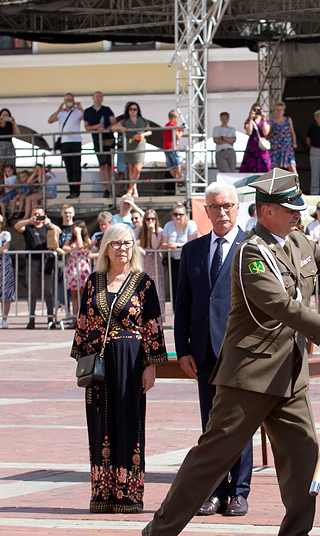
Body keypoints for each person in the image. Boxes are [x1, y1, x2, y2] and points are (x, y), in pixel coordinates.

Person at [142, 169, 320, 536]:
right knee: (213, 457)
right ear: (266, 211)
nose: (297, 215)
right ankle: (159, 532)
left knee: (304, 457)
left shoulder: (297, 240)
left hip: (289, 375)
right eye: (289, 210)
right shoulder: (252, 252)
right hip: (250, 374)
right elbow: (279, 305)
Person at [71, 223, 167, 513]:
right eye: (116, 244)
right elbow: (83, 322)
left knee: (130, 424)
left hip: (132, 359)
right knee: (100, 424)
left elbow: (153, 325)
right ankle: (103, 492)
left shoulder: (143, 282)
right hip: (100, 364)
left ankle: (129, 494)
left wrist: (151, 365)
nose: (122, 249)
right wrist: (83, 361)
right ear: (106, 248)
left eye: (127, 244)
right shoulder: (94, 281)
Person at [175, 183, 255, 517]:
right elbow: (183, 304)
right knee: (211, 424)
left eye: (227, 206)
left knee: (240, 422)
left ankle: (238, 491)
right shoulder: (192, 251)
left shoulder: (252, 248)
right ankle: (214, 490)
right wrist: (182, 350)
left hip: (239, 351)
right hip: (204, 352)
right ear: (205, 211)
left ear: (237, 209)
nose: (221, 212)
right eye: (214, 207)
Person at [15, 207, 58, 329]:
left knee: (48, 291)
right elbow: (17, 227)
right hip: (32, 261)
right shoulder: (28, 228)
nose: (37, 216)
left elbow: (58, 231)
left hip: (46, 261)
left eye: (40, 214)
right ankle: (31, 318)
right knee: (32, 291)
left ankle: (51, 318)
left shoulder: (47, 227)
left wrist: (50, 223)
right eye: (35, 214)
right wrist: (29, 220)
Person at [110, 102, 152, 198]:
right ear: (128, 111)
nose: (133, 111)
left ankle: (130, 189)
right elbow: (113, 127)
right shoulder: (125, 121)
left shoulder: (143, 120)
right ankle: (134, 189)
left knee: (137, 169)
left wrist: (143, 134)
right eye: (131, 109)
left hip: (140, 144)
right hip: (129, 144)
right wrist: (121, 128)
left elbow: (149, 131)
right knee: (131, 169)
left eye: (135, 109)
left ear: (138, 111)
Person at [48, 93, 84, 198]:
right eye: (67, 100)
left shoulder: (77, 112)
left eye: (70, 100)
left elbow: (86, 119)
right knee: (69, 168)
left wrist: (80, 108)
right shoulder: (61, 113)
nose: (68, 101)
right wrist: (59, 109)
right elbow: (50, 120)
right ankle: (71, 191)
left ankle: (76, 191)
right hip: (64, 142)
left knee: (76, 168)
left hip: (75, 142)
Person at [83, 91, 116, 197]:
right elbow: (87, 127)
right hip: (97, 140)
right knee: (102, 165)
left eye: (100, 96)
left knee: (110, 165)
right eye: (97, 96)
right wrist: (97, 127)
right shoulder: (88, 111)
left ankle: (110, 188)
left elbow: (114, 123)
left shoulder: (107, 110)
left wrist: (105, 129)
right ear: (93, 98)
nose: (98, 98)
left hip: (109, 139)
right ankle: (105, 189)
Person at [161, 204, 199, 292]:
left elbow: (193, 242)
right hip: (173, 261)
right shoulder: (168, 225)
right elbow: (163, 244)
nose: (178, 217)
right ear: (172, 215)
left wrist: (178, 245)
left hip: (188, 260)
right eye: (175, 214)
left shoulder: (191, 224)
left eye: (180, 214)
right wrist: (169, 246)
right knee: (175, 287)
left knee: (188, 285)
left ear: (185, 215)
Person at [138, 209, 166, 320]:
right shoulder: (139, 230)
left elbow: (155, 246)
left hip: (155, 263)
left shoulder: (160, 231)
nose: (150, 221)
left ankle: (159, 316)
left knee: (158, 289)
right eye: (148, 219)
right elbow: (133, 241)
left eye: (153, 219)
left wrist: (153, 231)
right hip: (143, 263)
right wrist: (139, 247)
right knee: (143, 289)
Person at [63, 220, 92, 317]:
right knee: (74, 295)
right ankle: (75, 318)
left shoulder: (87, 239)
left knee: (83, 295)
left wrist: (79, 234)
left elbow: (81, 246)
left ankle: (83, 317)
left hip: (82, 268)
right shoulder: (70, 238)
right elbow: (65, 247)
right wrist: (73, 249)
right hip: (72, 268)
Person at [239, 103, 271, 173]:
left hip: (261, 146)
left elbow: (265, 132)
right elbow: (249, 132)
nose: (256, 112)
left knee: (264, 166)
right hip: (252, 146)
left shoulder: (265, 122)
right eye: (255, 110)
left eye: (258, 110)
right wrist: (251, 119)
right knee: (250, 166)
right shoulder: (248, 122)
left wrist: (264, 118)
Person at [268, 102, 297, 173]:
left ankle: (296, 183)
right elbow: (268, 134)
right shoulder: (271, 122)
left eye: (280, 110)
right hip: (276, 146)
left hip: (287, 146)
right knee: (277, 168)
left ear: (283, 111)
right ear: (274, 111)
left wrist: (294, 143)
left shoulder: (288, 119)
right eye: (277, 110)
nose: (279, 111)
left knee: (291, 166)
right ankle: (278, 184)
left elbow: (292, 132)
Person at [163, 109, 184, 182]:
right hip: (172, 146)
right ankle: (180, 178)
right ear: (174, 118)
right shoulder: (173, 125)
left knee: (170, 165)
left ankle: (176, 179)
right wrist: (181, 131)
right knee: (177, 164)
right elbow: (178, 136)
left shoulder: (166, 125)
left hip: (165, 147)